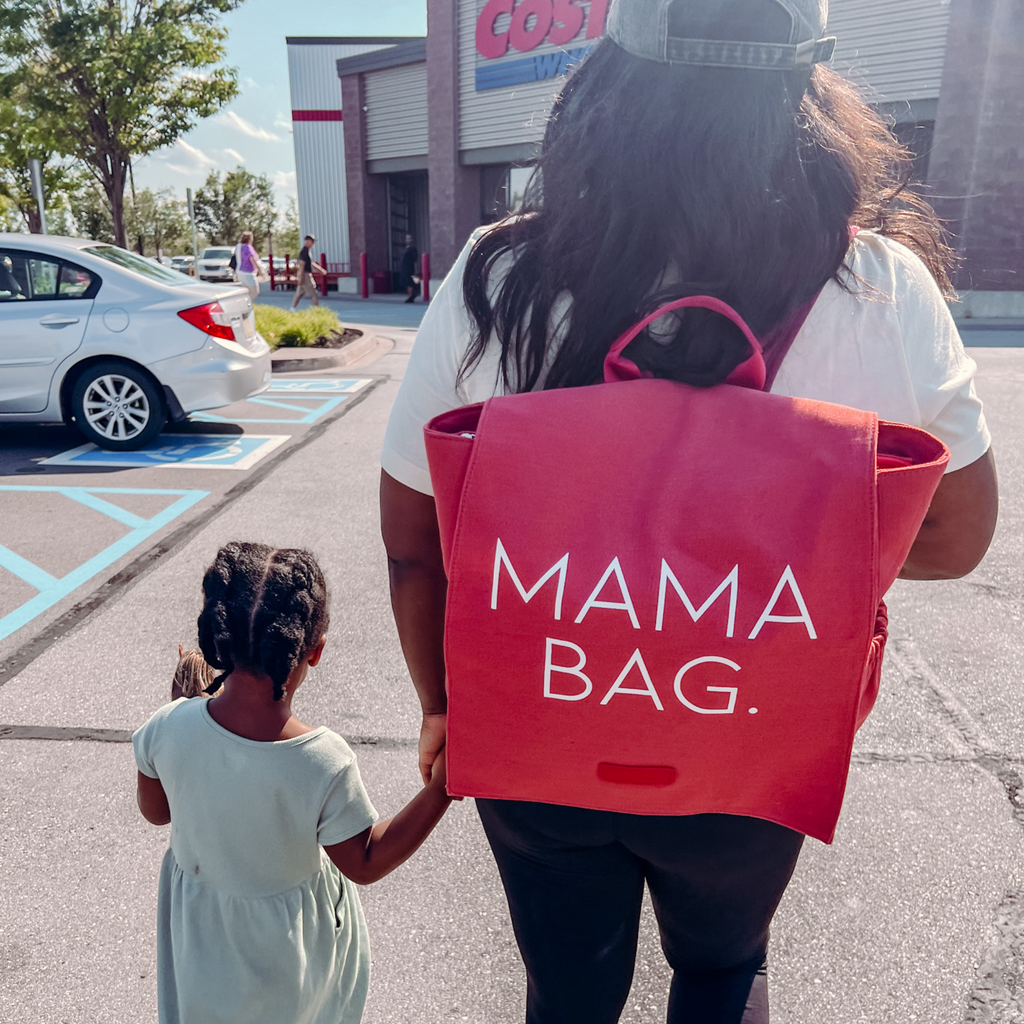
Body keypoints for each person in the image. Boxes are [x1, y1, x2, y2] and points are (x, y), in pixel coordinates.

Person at [378, 0, 999, 1022]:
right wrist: (770, 558)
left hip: (537, 732)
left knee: (566, 992)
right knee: (721, 970)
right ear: (810, 90)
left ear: (606, 86)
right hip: (747, 737)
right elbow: (954, 537)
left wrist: (445, 707)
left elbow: (417, 549)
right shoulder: (881, 289)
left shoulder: (499, 277)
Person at [133, 542, 453, 1024]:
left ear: (219, 638)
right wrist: (442, 788)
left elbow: (157, 811)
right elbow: (364, 861)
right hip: (289, 949)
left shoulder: (166, 726)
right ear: (315, 650)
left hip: (199, 937)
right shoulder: (320, 760)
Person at [291, 234, 324, 309]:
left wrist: (320, 269)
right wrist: (301, 277)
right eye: (312, 241)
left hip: (304, 274)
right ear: (307, 241)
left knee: (299, 293)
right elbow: (302, 265)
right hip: (305, 274)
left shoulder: (307, 251)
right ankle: (317, 311)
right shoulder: (304, 252)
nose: (313, 243)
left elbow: (311, 263)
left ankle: (292, 309)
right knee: (313, 293)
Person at [233, 231, 266, 301]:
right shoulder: (247, 247)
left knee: (247, 292)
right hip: (248, 272)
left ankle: (245, 306)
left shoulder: (238, 246)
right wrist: (260, 271)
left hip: (239, 271)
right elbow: (252, 260)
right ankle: (244, 304)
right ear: (250, 238)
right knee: (255, 292)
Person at [399, 233, 420, 303]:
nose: (408, 240)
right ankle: (410, 296)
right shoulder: (405, 249)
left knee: (411, 283)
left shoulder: (413, 249)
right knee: (406, 283)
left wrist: (416, 271)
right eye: (407, 238)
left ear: (412, 239)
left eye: (409, 238)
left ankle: (411, 297)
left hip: (411, 269)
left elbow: (415, 260)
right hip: (405, 269)